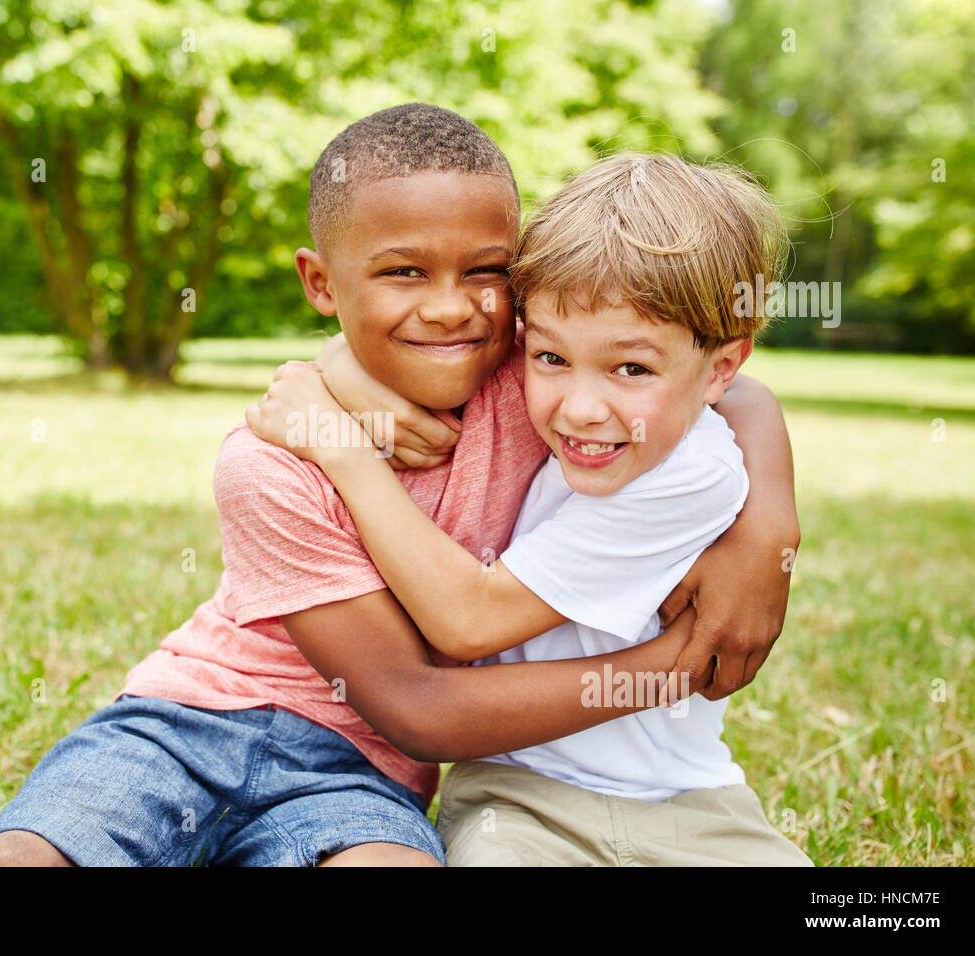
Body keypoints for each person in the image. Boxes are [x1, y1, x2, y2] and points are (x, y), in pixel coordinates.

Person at [0, 105, 799, 868]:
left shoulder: (539, 382)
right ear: (321, 284)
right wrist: (665, 668)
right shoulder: (271, 461)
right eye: (403, 273)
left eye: (486, 272)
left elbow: (721, 384)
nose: (449, 310)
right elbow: (420, 702)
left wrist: (768, 529)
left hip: (359, 778)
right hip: (183, 727)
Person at [247, 152, 811, 865]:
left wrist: (346, 455)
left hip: (692, 803)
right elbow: (423, 335)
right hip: (516, 796)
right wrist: (336, 374)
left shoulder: (688, 473)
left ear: (720, 368)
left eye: (630, 369)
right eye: (548, 358)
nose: (578, 408)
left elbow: (469, 621)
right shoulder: (551, 377)